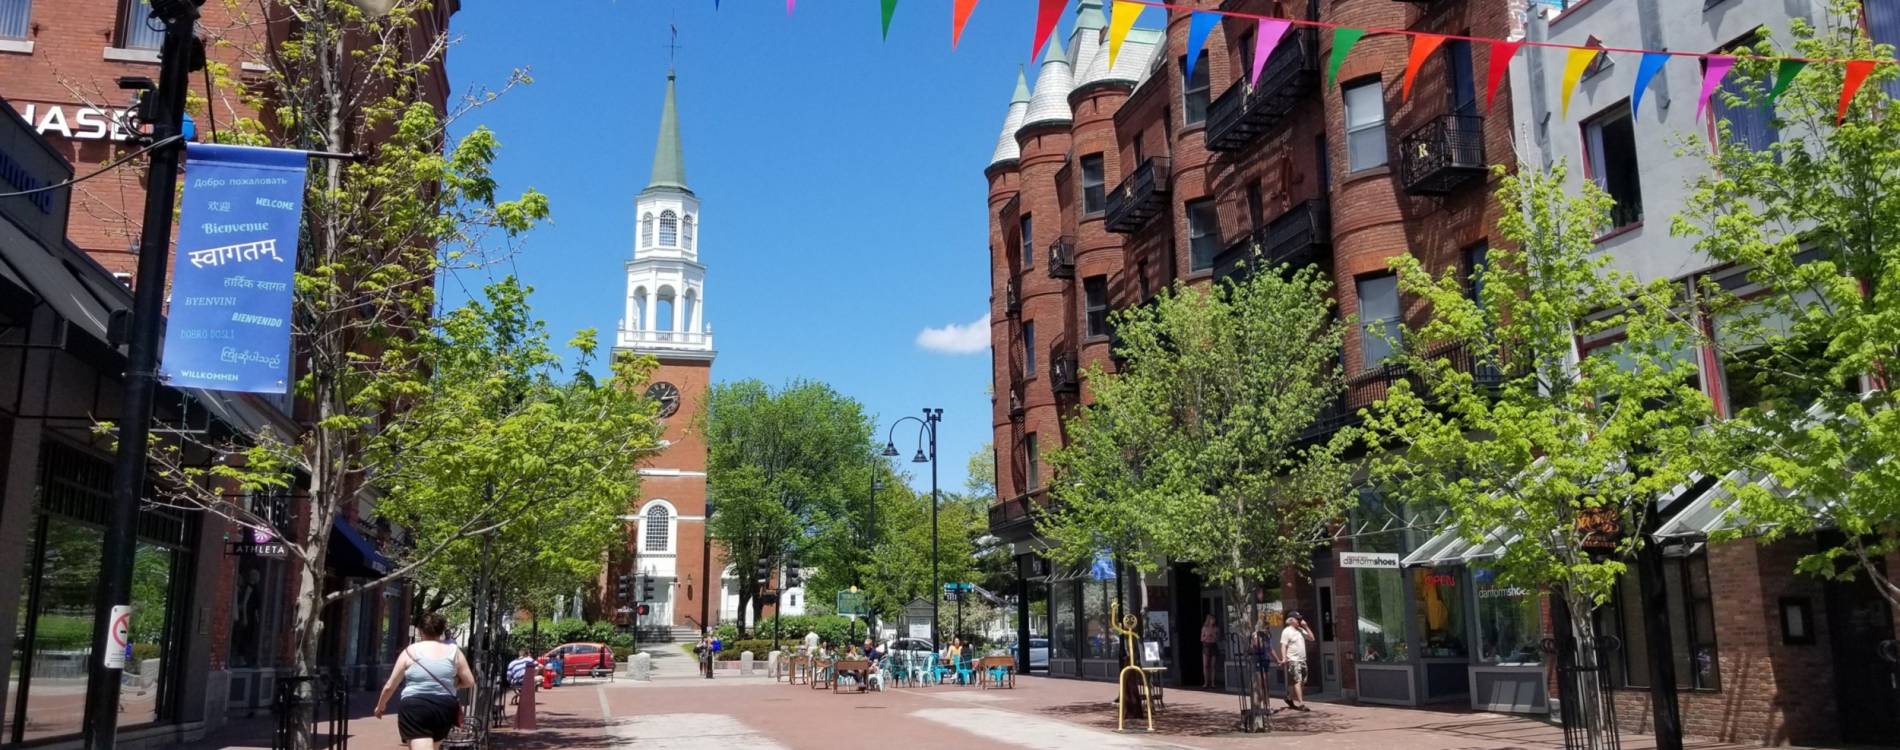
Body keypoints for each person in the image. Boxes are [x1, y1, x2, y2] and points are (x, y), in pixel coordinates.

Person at [374, 613, 475, 750]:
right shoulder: (454, 652)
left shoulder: (410, 652)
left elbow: (390, 686)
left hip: (415, 706)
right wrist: (453, 683)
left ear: (420, 630)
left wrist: (380, 706)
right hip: (444, 707)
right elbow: (469, 681)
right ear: (442, 631)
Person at [1277, 612, 1315, 712]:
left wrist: (1306, 627)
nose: (1299, 621)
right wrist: (1284, 658)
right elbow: (1283, 646)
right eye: (1297, 619)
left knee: (1303, 681)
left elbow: (1312, 638)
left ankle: (1289, 698)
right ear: (1291, 620)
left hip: (1302, 660)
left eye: (1299, 619)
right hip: (1293, 660)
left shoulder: (1301, 630)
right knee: (1297, 681)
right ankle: (1301, 703)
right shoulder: (1286, 631)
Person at [1199, 614, 1220, 689]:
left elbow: (1218, 639)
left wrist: (1214, 635)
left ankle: (1213, 683)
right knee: (1205, 665)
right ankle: (1206, 682)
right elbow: (1201, 639)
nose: (1213, 621)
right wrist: (1207, 636)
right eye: (1212, 619)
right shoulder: (1204, 628)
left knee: (1213, 665)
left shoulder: (1216, 628)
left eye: (1214, 619)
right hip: (1206, 646)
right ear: (1209, 620)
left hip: (1213, 645)